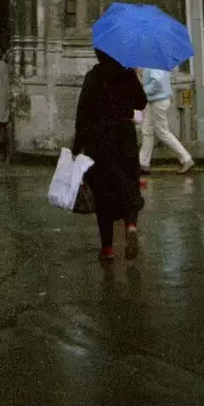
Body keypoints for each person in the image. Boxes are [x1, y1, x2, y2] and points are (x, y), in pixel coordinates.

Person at [73, 49, 147, 262]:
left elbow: (83, 112)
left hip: (99, 140)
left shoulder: (93, 77)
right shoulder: (127, 74)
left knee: (103, 191)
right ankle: (131, 224)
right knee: (129, 183)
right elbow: (140, 103)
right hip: (124, 136)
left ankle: (107, 248)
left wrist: (78, 146)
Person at [138, 67, 194, 174]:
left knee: (162, 132)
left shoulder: (152, 63)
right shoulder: (156, 63)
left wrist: (144, 91)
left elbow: (158, 81)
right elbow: (163, 80)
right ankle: (143, 163)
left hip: (157, 101)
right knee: (147, 130)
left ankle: (186, 159)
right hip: (155, 100)